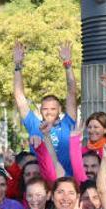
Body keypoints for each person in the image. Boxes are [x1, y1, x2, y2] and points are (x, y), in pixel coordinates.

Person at [14, 41, 78, 174]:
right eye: (45, 109)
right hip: (41, 184)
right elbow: (19, 97)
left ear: (60, 110)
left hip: (66, 181)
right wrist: (17, 66)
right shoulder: (34, 124)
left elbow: (72, 92)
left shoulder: (67, 124)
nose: (49, 112)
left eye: (53, 109)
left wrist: (67, 64)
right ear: (40, 110)